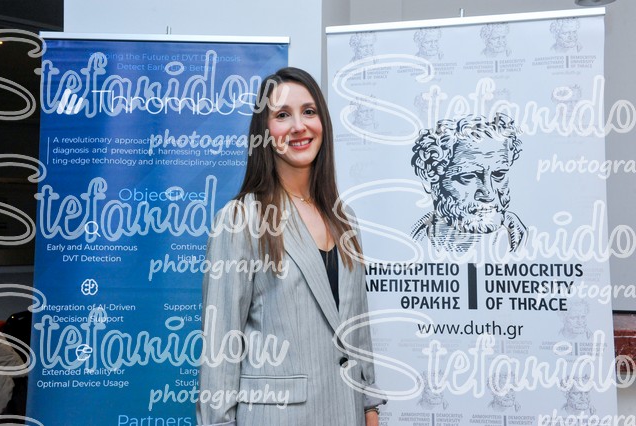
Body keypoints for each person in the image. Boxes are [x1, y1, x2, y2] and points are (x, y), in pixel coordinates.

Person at [197, 67, 385, 426]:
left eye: (309, 112)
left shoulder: (345, 218)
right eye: (282, 115)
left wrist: (370, 408)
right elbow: (220, 351)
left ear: (323, 123)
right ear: (264, 131)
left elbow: (357, 333)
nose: (299, 126)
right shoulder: (241, 218)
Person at [410, 114, 526, 253]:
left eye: (499, 175)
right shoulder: (407, 241)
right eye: (468, 176)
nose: (488, 193)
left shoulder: (524, 242)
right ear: (429, 180)